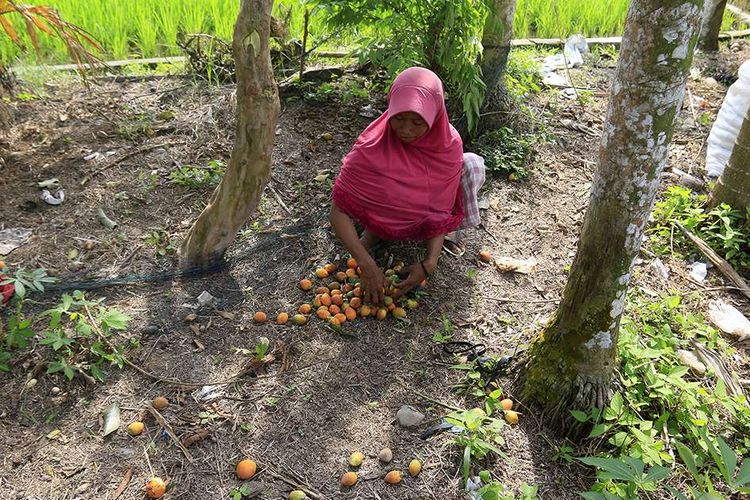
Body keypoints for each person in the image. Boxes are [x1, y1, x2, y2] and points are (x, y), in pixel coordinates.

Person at [329, 67, 485, 306]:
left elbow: (440, 208)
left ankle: (438, 237)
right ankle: (376, 231)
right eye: (399, 118)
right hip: (381, 213)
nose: (406, 130)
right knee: (388, 185)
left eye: (417, 122)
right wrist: (366, 263)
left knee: (472, 164)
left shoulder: (447, 146)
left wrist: (429, 263)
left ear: (434, 116)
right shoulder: (372, 145)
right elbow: (337, 211)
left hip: (423, 219)